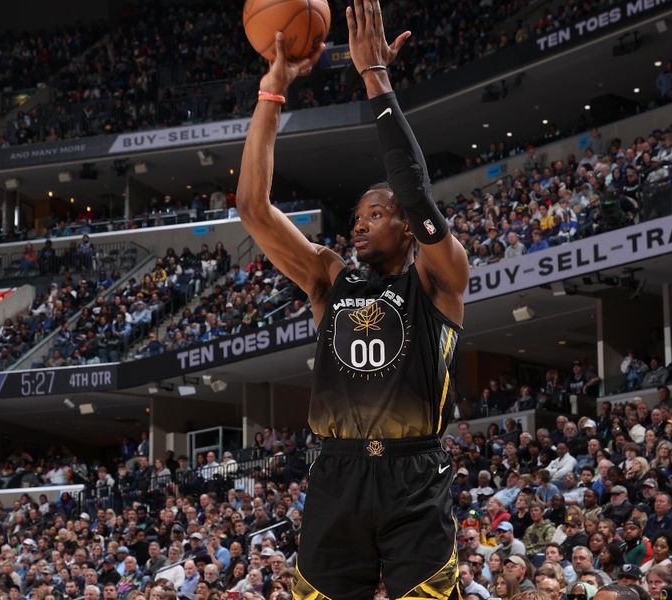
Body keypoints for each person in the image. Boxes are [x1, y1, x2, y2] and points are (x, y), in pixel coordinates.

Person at [235, 3, 469, 598]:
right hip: (335, 472)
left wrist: (375, 78)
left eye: (376, 214)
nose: (359, 227)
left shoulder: (439, 280)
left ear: (408, 227)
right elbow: (253, 211)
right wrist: (270, 96)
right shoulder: (328, 277)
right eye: (357, 217)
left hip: (414, 474)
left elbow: (415, 192)